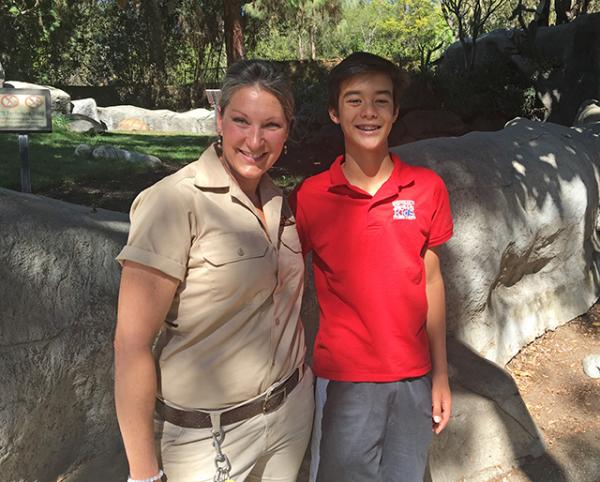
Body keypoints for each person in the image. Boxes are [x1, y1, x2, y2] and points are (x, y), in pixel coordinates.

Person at [114, 59, 314, 482]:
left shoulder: (280, 201)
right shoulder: (173, 203)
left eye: (271, 125)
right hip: (209, 439)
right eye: (240, 120)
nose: (255, 140)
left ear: (288, 129)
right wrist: (143, 474)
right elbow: (130, 346)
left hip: (290, 413)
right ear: (219, 119)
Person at [290, 52, 453, 482]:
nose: (369, 112)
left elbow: (432, 282)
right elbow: (283, 282)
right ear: (333, 111)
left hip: (413, 380)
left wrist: (440, 375)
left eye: (381, 100)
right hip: (344, 381)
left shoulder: (427, 188)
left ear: (396, 112)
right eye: (354, 100)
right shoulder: (311, 196)